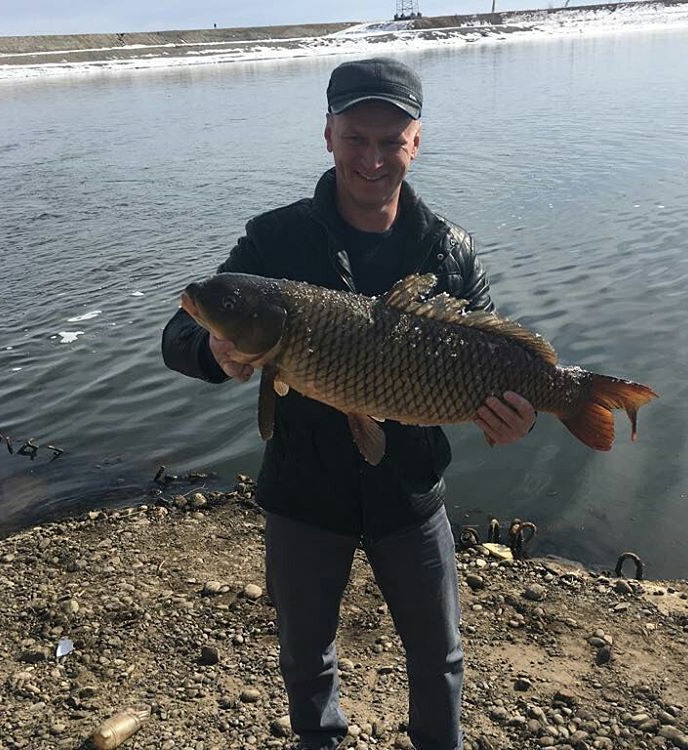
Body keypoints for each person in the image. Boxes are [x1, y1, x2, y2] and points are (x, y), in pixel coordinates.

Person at [162, 57, 535, 750]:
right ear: (327, 135)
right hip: (303, 492)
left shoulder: (450, 251)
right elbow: (181, 331)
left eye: (390, 141)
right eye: (356, 138)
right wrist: (212, 353)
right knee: (306, 661)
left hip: (411, 491)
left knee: (440, 657)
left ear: (415, 144)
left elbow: (496, 360)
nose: (372, 159)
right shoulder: (275, 240)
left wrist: (509, 420)